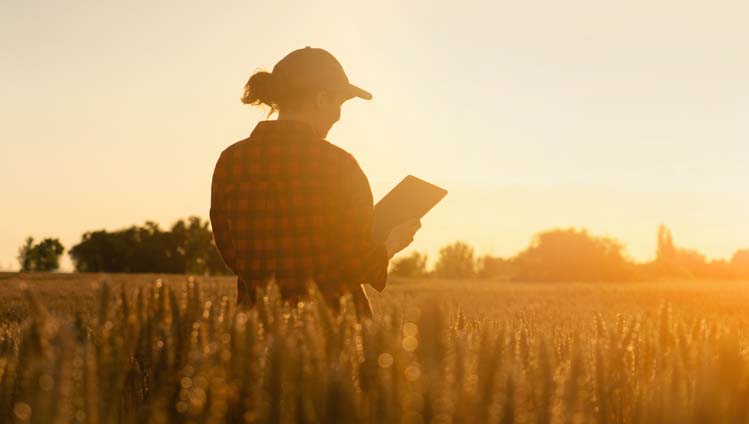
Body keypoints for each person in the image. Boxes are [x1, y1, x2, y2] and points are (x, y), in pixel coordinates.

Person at [210, 46, 421, 316]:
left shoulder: (230, 161)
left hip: (255, 330)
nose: (338, 115)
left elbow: (231, 253)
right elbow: (357, 262)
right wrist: (391, 244)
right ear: (321, 98)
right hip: (333, 331)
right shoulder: (339, 166)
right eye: (338, 104)